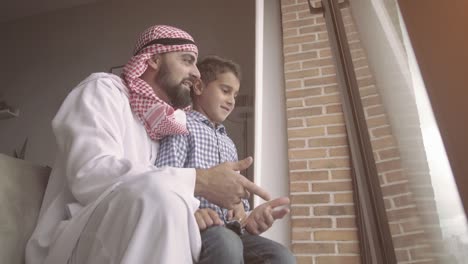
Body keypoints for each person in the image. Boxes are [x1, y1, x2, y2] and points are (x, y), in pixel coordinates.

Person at [25, 25, 272, 264]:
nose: (197, 73)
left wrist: (242, 217)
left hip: (143, 229)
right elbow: (90, 174)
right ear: (153, 59)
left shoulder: (164, 123)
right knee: (162, 195)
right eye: (187, 61)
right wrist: (200, 181)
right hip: (80, 237)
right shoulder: (103, 90)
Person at [155, 55, 296, 263]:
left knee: (282, 256)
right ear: (199, 87)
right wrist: (191, 210)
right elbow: (165, 178)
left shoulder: (229, 143)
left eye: (235, 95)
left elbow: (236, 205)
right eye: (225, 90)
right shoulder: (181, 126)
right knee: (228, 243)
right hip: (199, 227)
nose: (232, 101)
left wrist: (248, 218)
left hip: (232, 229)